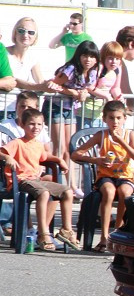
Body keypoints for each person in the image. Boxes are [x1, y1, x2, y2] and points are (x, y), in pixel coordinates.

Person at [0, 107, 80, 251]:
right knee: (44, 193)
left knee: (67, 192)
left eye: (39, 124)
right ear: (22, 125)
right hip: (21, 180)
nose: (35, 127)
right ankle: (43, 233)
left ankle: (66, 230)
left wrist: (58, 159)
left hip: (35, 179)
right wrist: (7, 157)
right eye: (31, 124)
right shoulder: (17, 143)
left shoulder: (38, 144)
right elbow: (1, 151)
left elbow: (44, 157)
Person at [71, 100, 134, 252]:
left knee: (125, 193)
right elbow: (76, 154)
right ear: (104, 119)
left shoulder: (129, 135)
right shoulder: (101, 135)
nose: (115, 122)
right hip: (106, 176)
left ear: (124, 119)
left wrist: (121, 142)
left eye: (118, 118)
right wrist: (96, 160)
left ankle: (117, 234)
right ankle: (104, 237)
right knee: (109, 192)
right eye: (111, 118)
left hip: (125, 176)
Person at [46, 39, 101, 194]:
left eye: (92, 56)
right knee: (59, 147)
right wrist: (74, 92)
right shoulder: (70, 69)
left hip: (71, 109)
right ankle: (56, 183)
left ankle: (72, 185)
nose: (88, 59)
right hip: (56, 107)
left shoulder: (93, 72)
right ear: (79, 56)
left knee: (70, 148)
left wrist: (83, 92)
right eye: (85, 55)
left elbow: (87, 87)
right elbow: (55, 85)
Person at [0, 92, 53, 237]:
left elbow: (45, 151)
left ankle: (42, 229)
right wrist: (7, 157)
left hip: (32, 170)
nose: (25, 110)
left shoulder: (37, 127)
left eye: (29, 107)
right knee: (39, 191)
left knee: (55, 183)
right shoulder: (6, 126)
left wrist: (57, 160)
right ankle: (29, 228)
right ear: (16, 107)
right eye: (22, 106)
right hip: (11, 173)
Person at [7, 17, 49, 96]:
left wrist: (51, 84)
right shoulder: (3, 53)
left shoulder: (33, 58)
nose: (25, 35)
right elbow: (10, 80)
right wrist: (38, 87)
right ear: (15, 33)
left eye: (31, 32)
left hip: (20, 106)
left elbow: (41, 81)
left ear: (35, 36)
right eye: (21, 31)